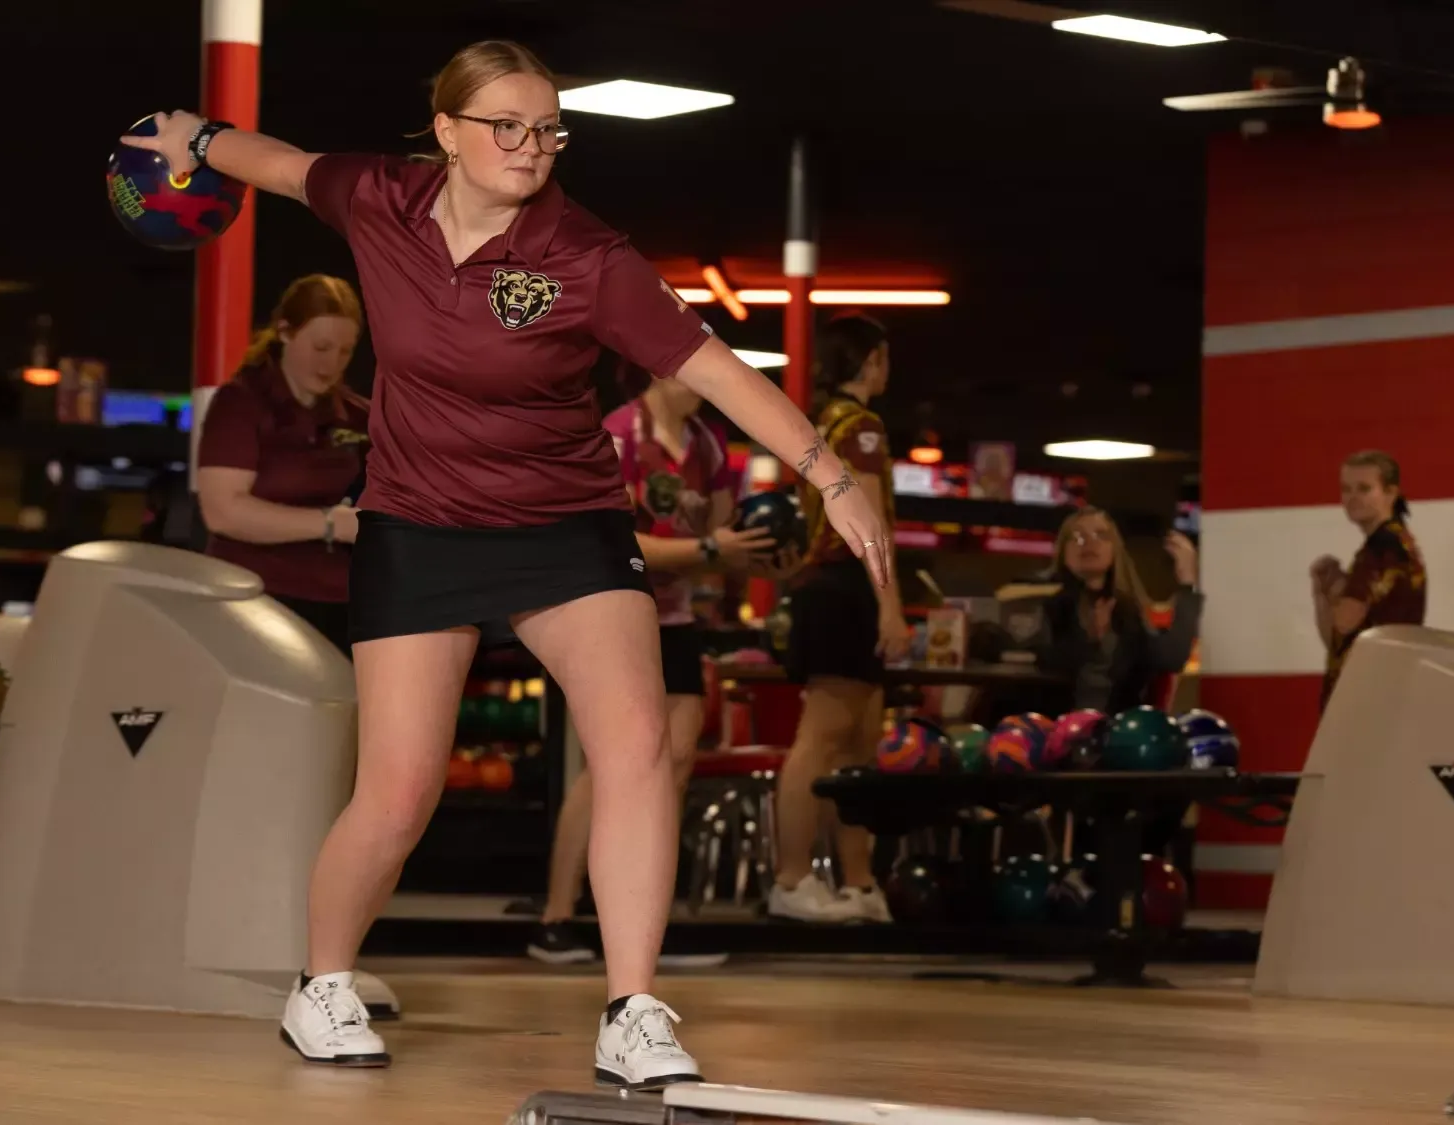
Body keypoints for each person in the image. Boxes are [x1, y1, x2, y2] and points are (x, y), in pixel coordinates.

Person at [122, 39, 891, 1088]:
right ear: (446, 132)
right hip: (418, 526)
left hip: (564, 526)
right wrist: (196, 137)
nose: (533, 147)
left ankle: (631, 1008)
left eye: (549, 129)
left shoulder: (587, 256)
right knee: (398, 795)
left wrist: (830, 477)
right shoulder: (381, 200)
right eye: (509, 127)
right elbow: (283, 166)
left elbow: (714, 370)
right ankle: (322, 984)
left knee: (634, 749)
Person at [527, 365, 776, 965]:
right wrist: (709, 549)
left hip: (676, 614)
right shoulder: (619, 434)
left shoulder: (707, 444)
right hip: (613, 604)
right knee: (612, 764)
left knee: (677, 759)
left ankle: (642, 921)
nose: (707, 380)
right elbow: (614, 538)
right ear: (660, 372)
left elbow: (721, 529)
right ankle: (556, 918)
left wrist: (745, 547)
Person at [766, 314, 911, 925]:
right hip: (847, 588)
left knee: (857, 745)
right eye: (885, 357)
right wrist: (891, 607)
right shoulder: (863, 427)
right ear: (871, 360)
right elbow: (866, 523)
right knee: (821, 740)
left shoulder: (820, 422)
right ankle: (791, 879)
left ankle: (859, 884)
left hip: (823, 587)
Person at [194, 275, 368, 654]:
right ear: (286, 332)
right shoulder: (241, 403)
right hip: (253, 602)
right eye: (321, 347)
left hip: (343, 608)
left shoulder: (358, 416)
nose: (331, 363)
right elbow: (223, 512)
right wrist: (331, 524)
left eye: (345, 351)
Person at [1033, 507, 1202, 715]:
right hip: (1056, 724)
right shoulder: (1048, 605)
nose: (1088, 542)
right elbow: (1042, 668)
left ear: (1114, 550)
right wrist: (1091, 642)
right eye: (1077, 537)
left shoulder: (1128, 610)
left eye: (1101, 535)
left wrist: (1187, 585)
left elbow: (1171, 658)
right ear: (1063, 552)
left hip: (1118, 726)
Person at [1313, 449, 1424, 708]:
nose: (1352, 498)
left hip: (1370, 698)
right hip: (1383, 692)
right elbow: (1337, 642)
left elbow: (1343, 623)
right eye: (1346, 489)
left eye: (1364, 489)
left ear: (1390, 493)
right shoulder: (1398, 543)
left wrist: (1332, 591)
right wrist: (1324, 593)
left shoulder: (1382, 550)